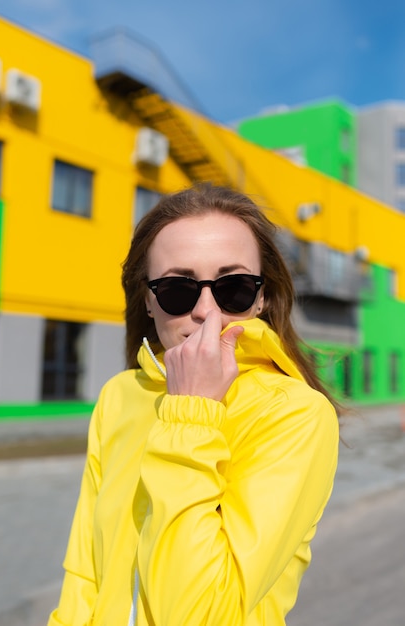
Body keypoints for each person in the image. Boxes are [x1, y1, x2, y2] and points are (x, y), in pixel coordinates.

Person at [48, 183, 339, 626]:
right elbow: (85, 566)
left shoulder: (295, 413)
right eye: (178, 290)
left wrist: (193, 415)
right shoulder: (121, 396)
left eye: (234, 288)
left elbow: (200, 616)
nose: (206, 311)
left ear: (261, 298)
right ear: (147, 299)